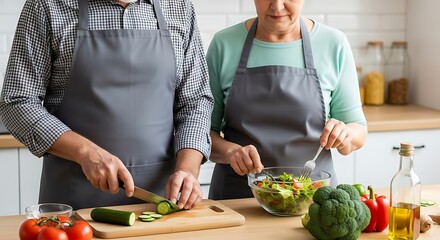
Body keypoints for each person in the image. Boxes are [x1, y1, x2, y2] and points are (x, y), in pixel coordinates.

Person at [0, 0, 214, 210]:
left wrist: (187, 169)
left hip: (160, 203)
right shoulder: (47, 5)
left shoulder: (179, 7)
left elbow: (195, 102)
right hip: (74, 205)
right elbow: (17, 101)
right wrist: (85, 152)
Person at [206, 0, 367, 200]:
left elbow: (358, 130)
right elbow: (202, 133)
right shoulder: (224, 44)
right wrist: (230, 152)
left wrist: (345, 134)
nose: (277, 6)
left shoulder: (333, 43)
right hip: (237, 201)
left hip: (313, 203)